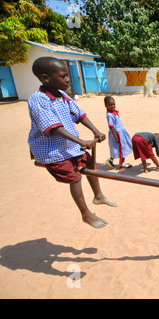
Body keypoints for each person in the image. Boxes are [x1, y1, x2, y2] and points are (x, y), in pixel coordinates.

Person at [28, 57, 115, 229]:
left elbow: (80, 115)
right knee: (74, 177)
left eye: (67, 75)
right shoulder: (38, 100)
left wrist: (95, 131)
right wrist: (81, 140)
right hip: (52, 151)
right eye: (63, 76)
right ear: (46, 78)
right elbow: (52, 128)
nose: (68, 79)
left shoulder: (63, 96)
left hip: (70, 147)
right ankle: (86, 214)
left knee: (90, 164)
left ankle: (98, 196)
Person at [104, 96, 133, 170]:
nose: (112, 106)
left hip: (120, 132)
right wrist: (116, 137)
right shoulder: (109, 115)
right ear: (106, 105)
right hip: (117, 134)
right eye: (110, 105)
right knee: (122, 148)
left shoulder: (114, 112)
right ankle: (122, 164)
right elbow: (111, 126)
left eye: (113, 104)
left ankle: (111, 160)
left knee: (117, 148)